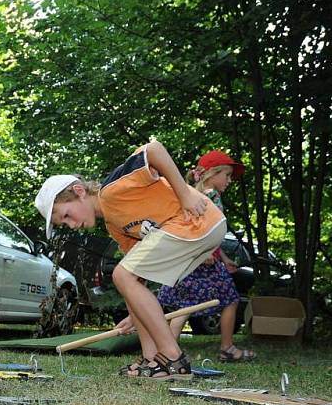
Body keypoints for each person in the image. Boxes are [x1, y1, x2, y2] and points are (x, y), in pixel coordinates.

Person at [35, 141, 226, 380]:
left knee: (121, 275)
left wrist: (185, 193)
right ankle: (152, 359)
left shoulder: (113, 189)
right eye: (64, 225)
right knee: (127, 277)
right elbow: (137, 280)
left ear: (79, 191)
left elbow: (155, 149)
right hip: (198, 229)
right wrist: (137, 314)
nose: (72, 225)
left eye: (67, 215)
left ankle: (173, 357)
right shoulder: (114, 224)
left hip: (197, 220)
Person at [157, 150, 256, 362]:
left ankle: (169, 353)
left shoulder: (196, 195)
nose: (229, 180)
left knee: (190, 306)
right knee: (224, 300)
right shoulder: (209, 197)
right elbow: (195, 229)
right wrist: (204, 254)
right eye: (227, 175)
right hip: (199, 262)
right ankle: (222, 348)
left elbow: (210, 232)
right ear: (212, 173)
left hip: (197, 261)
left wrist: (224, 257)